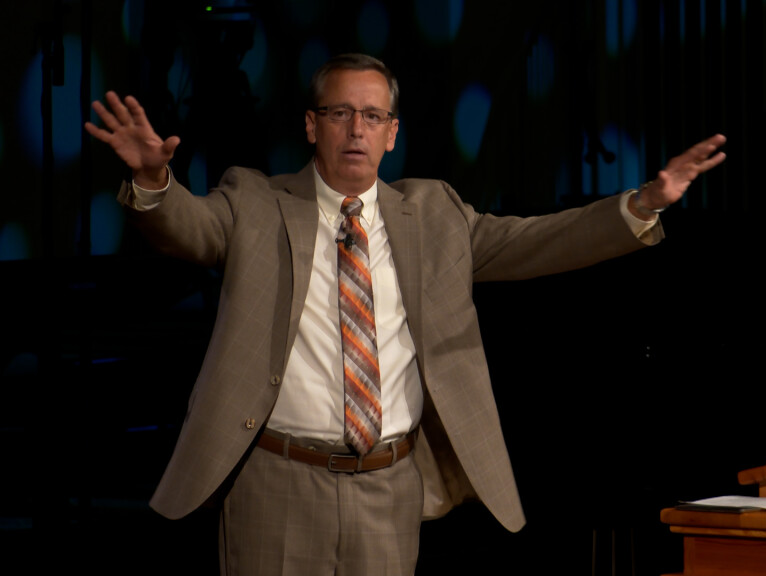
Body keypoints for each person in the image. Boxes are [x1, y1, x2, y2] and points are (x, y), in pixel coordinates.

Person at [85, 53, 726, 576]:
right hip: (277, 484)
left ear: (392, 133)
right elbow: (191, 230)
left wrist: (643, 203)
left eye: (372, 116)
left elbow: (539, 240)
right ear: (311, 125)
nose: (355, 130)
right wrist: (155, 184)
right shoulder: (254, 201)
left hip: (388, 488)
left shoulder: (435, 214)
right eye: (339, 113)